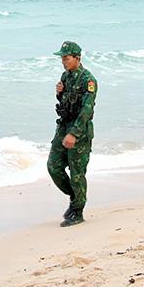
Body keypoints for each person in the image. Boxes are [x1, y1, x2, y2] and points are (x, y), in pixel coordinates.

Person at [48, 41, 97, 227]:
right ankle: (75, 197)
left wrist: (74, 134)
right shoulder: (65, 76)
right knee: (53, 166)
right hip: (63, 127)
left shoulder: (88, 80)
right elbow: (66, 102)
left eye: (66, 58)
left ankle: (77, 211)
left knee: (77, 172)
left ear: (77, 58)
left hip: (80, 131)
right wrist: (59, 94)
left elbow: (86, 109)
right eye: (62, 58)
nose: (63, 61)